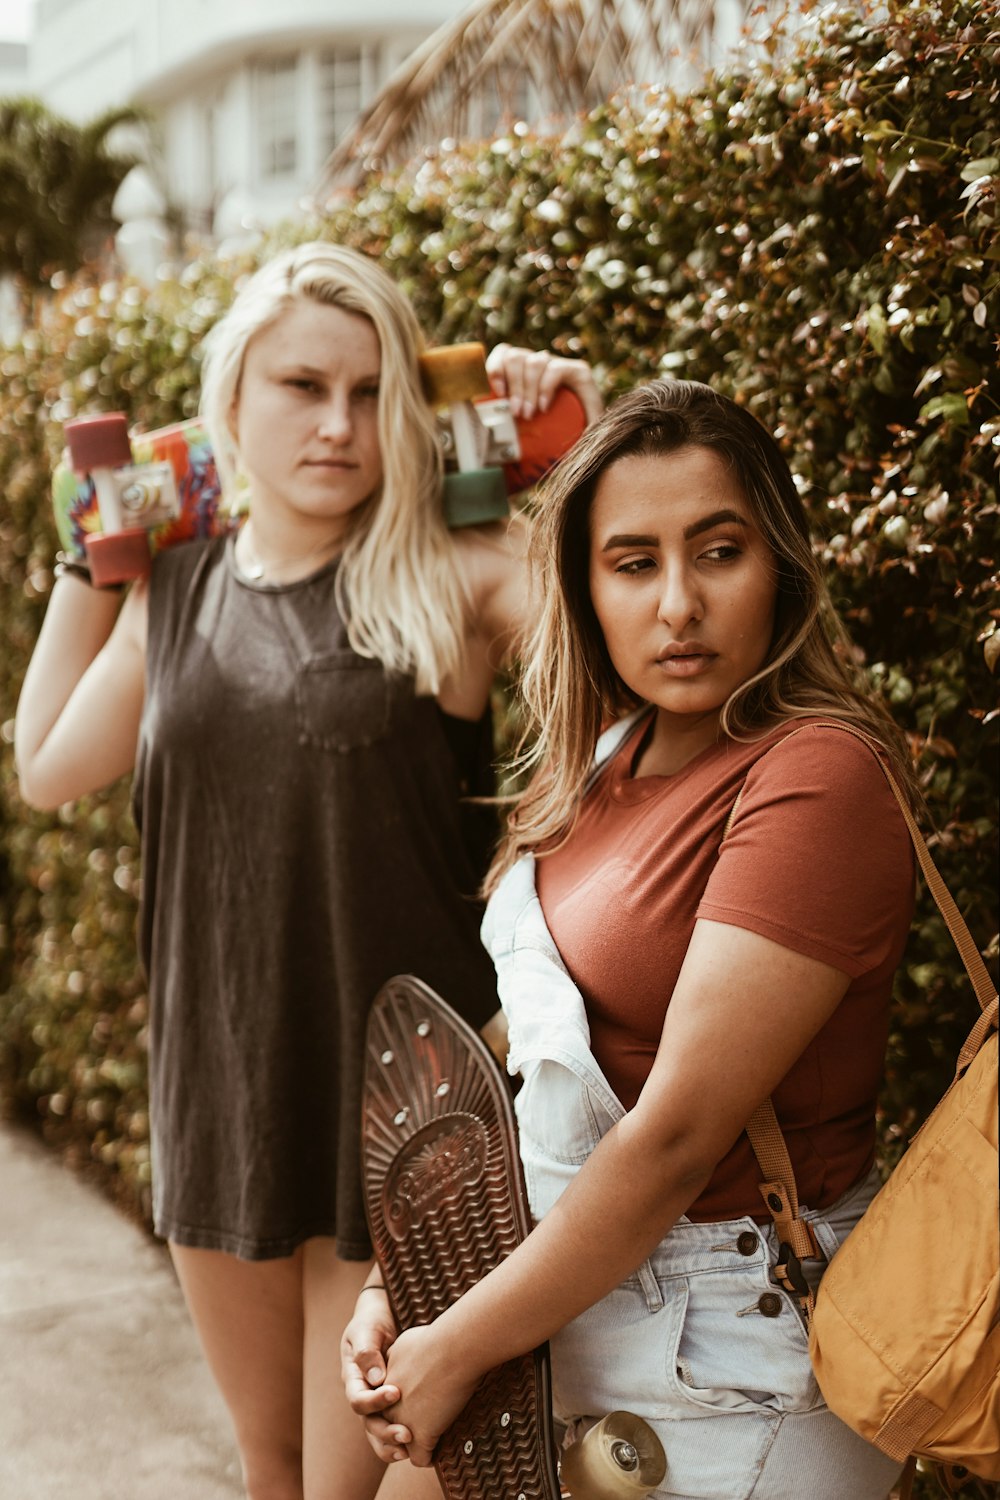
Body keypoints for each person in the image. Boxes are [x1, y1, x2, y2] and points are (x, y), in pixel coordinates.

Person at [14, 240, 602, 1500]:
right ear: (227, 402)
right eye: (300, 386)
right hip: (218, 1091)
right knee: (269, 1476)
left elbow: (626, 631)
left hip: (393, 1114)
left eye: (369, 390)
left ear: (405, 410)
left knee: (358, 1485)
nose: (338, 424)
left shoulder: (444, 574)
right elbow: (48, 764)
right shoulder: (171, 587)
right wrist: (97, 539)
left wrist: (576, 445)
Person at [343, 378, 919, 1499]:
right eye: (633, 562)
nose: (677, 607)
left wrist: (454, 1346)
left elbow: (675, 1138)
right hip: (555, 1299)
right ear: (584, 587)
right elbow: (535, 1067)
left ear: (781, 570)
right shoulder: (610, 757)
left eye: (717, 552)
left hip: (725, 1355)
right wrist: (403, 1286)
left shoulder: (817, 775)